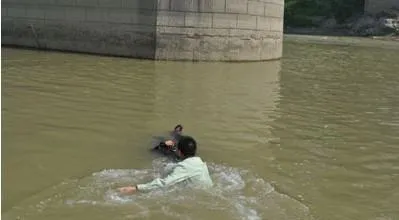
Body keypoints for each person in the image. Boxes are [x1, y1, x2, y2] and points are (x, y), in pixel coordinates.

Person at [119, 135, 213, 194]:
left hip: (198, 195)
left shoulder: (184, 167)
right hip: (206, 191)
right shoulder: (199, 162)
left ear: (179, 152)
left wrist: (136, 188)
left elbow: (164, 183)